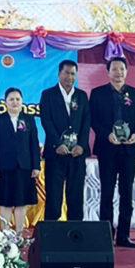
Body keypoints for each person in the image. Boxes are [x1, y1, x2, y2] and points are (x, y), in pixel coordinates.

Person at [89, 57, 135, 248]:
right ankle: (105, 235)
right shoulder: (98, 93)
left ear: (126, 71)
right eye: (114, 69)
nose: (118, 72)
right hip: (107, 149)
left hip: (129, 150)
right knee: (107, 192)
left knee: (126, 192)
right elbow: (93, 119)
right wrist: (107, 135)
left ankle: (124, 235)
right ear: (108, 72)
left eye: (122, 69)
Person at [39, 60, 91, 221]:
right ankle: (51, 232)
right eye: (66, 73)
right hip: (56, 153)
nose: (70, 77)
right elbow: (46, 121)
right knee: (54, 196)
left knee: (75, 196)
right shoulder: (48, 94)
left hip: (77, 154)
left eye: (73, 74)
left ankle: (76, 232)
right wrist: (57, 144)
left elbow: (86, 122)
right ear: (59, 74)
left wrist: (81, 145)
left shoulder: (81, 96)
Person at [0, 87, 41, 233]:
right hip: (4, 168)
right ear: (5, 102)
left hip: (24, 167)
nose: (15, 102)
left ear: (22, 101)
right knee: (5, 203)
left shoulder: (28, 119)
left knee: (21, 203)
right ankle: (5, 235)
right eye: (11, 99)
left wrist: (36, 166)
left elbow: (34, 144)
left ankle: (18, 234)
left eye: (17, 99)